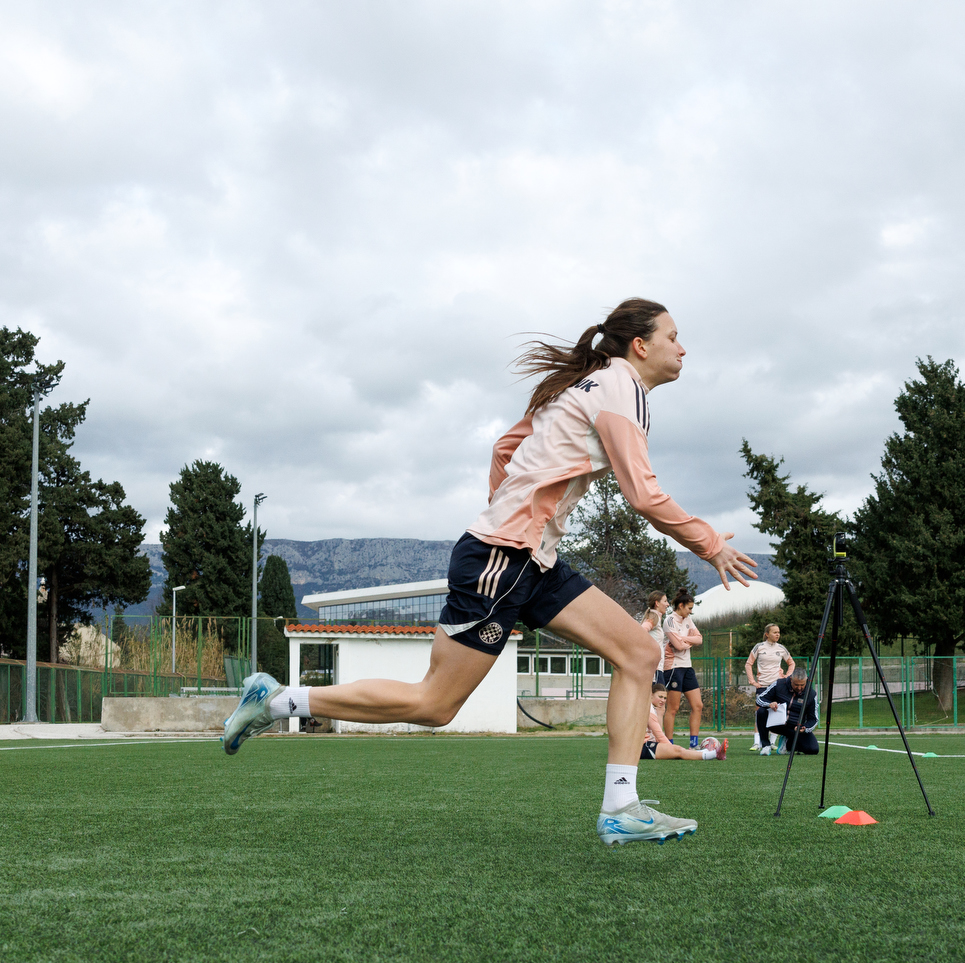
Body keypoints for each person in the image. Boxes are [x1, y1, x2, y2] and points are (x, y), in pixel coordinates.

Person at [219, 298, 757, 848]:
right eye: (673, 337)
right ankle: (280, 701)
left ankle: (621, 808)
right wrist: (708, 542)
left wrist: (512, 509)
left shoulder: (581, 388)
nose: (682, 348)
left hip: (529, 558)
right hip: (504, 558)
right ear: (640, 346)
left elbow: (505, 447)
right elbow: (642, 492)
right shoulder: (623, 388)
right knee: (435, 704)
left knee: (639, 653)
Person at [662, 589, 705, 747]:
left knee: (698, 705)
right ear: (681, 606)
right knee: (673, 708)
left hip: (687, 667)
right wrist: (687, 642)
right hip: (674, 668)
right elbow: (679, 647)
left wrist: (685, 638)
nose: (691, 611)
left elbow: (699, 639)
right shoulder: (670, 621)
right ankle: (669, 744)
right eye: (689, 608)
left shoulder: (688, 620)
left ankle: (693, 744)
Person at [641, 683, 726, 761]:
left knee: (678, 750)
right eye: (660, 697)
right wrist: (670, 748)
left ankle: (709, 752)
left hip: (644, 745)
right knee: (678, 751)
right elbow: (659, 734)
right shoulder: (648, 708)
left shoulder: (649, 707)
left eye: (665, 698)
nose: (663, 700)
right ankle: (715, 753)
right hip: (642, 747)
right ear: (651, 695)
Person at [744, 623, 794, 751]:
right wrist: (752, 681)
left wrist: (787, 677)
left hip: (777, 685)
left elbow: (791, 663)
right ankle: (757, 742)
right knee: (759, 713)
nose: (777, 634)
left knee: (777, 713)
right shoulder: (759, 647)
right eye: (774, 632)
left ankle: (772, 742)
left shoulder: (781, 648)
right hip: (763, 685)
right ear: (767, 634)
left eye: (778, 632)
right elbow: (748, 664)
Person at [755, 667, 819, 756]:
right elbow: (759, 699)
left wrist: (805, 728)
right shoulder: (779, 684)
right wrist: (769, 704)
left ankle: (788, 743)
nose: (799, 688)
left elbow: (814, 719)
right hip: (776, 724)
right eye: (796, 684)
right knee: (761, 711)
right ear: (791, 679)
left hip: (795, 728)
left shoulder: (811, 694)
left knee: (813, 749)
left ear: (806, 680)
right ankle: (766, 745)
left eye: (802, 685)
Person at [641, 590, 670, 684]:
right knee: (658, 696)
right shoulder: (654, 617)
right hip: (654, 668)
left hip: (656, 667)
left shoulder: (655, 617)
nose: (668, 604)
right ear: (657, 603)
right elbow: (641, 631)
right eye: (665, 601)